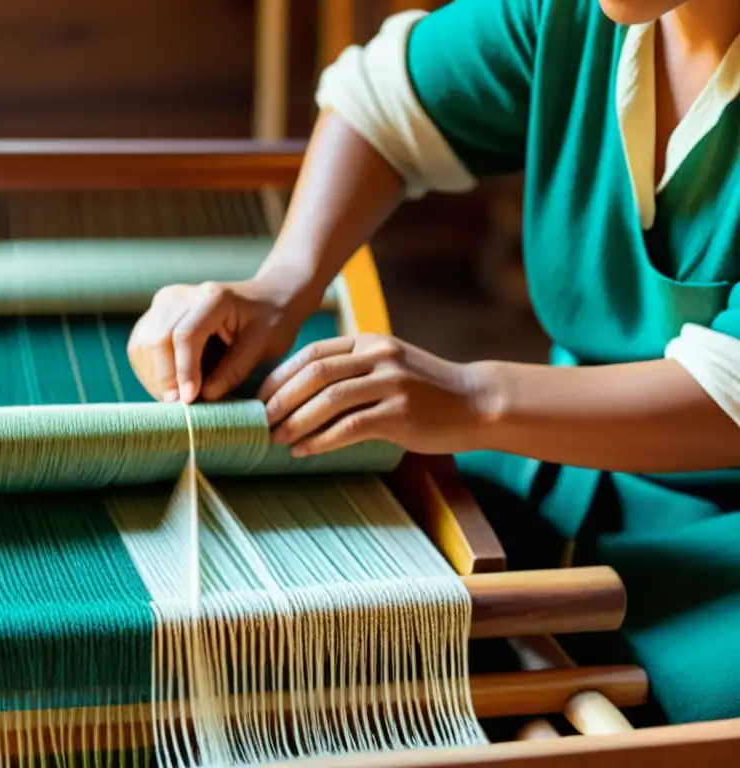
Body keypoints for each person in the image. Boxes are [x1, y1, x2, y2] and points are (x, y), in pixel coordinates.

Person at [127, 0, 740, 727]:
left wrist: (472, 398)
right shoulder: (568, 16)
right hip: (568, 468)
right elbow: (380, 107)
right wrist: (283, 284)